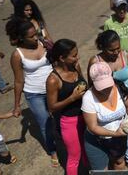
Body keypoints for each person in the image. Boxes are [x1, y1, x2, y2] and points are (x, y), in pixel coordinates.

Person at [87, 31, 128, 170]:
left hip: (127, 103)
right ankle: (118, 161)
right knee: (111, 139)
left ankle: (127, 161)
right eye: (111, 50)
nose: (116, 52)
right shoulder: (95, 62)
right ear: (102, 47)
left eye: (118, 48)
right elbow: (91, 87)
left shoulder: (125, 56)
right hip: (107, 108)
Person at [5, 20, 58, 166]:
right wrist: (16, 105)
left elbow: (57, 60)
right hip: (34, 94)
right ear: (21, 38)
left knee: (59, 118)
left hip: (53, 88)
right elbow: (18, 81)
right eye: (31, 36)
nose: (35, 38)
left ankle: (63, 141)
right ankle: (53, 151)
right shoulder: (17, 55)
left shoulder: (43, 43)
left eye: (36, 34)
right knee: (45, 123)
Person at [82, 62, 128, 170]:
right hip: (97, 140)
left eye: (108, 85)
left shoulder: (121, 88)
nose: (105, 89)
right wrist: (115, 133)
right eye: (101, 86)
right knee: (101, 170)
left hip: (119, 137)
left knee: (119, 161)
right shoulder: (88, 98)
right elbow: (93, 127)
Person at [46, 39, 89, 175]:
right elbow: (52, 107)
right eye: (74, 55)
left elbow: (83, 84)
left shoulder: (75, 67)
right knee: (74, 157)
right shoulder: (53, 79)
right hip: (70, 122)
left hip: (85, 116)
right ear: (62, 58)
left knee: (86, 151)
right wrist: (72, 98)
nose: (78, 57)